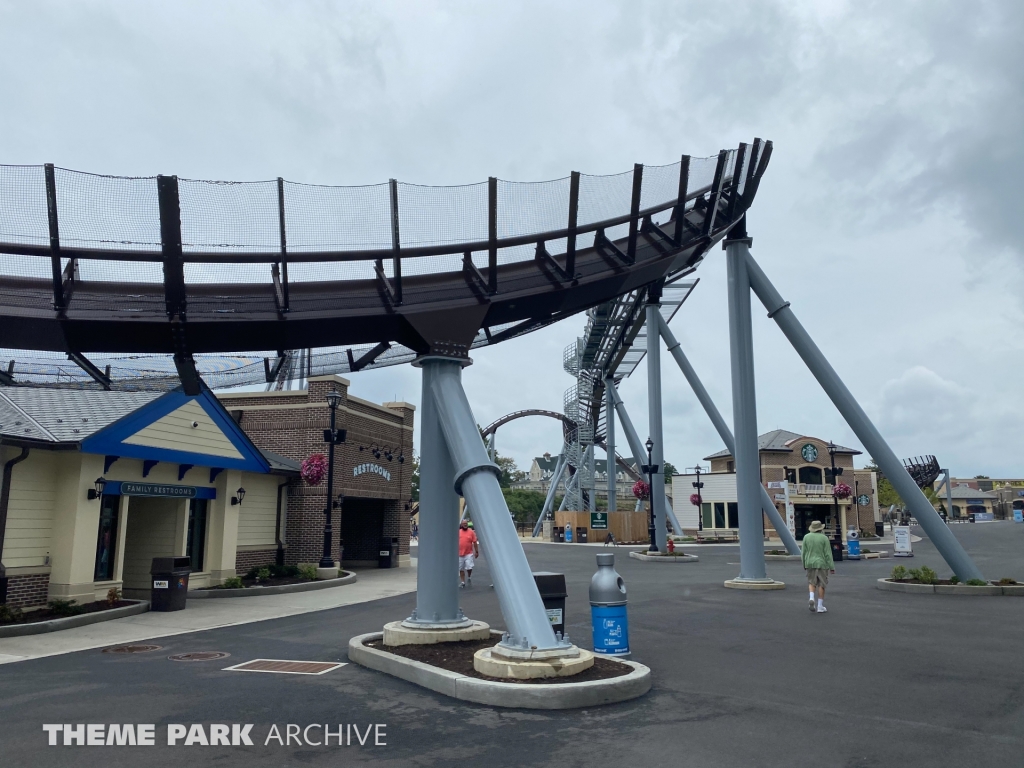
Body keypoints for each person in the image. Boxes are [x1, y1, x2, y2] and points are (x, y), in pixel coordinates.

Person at [802, 519, 835, 613]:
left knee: (811, 582)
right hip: (821, 563)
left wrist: (804, 564)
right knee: (822, 584)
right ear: (820, 528)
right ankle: (820, 606)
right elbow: (828, 554)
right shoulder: (824, 538)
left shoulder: (806, 537)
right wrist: (831, 567)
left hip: (809, 562)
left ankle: (811, 598)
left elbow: (803, 552)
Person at [458, 519, 479, 588]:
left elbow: (475, 542)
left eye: (466, 523)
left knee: (469, 567)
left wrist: (476, 551)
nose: (465, 524)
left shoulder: (471, 532)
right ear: (461, 525)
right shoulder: (458, 532)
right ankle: (463, 582)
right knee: (461, 568)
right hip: (460, 554)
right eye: (463, 524)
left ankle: (469, 576)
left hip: (468, 553)